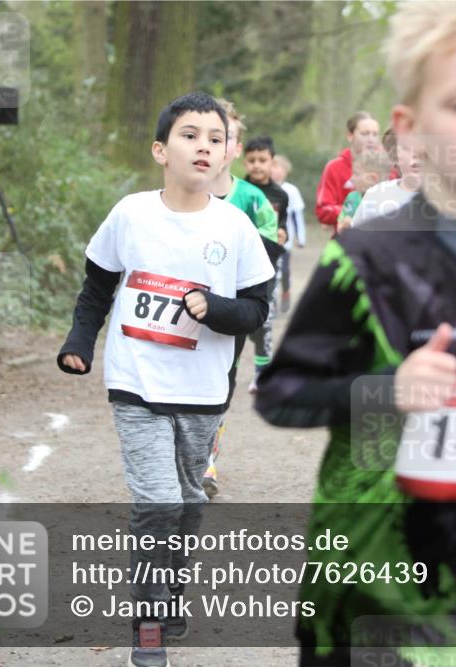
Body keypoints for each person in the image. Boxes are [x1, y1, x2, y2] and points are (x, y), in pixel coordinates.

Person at [255, 2, 456, 664]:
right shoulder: (363, 258)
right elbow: (279, 393)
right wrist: (387, 389)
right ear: (411, 127)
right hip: (366, 580)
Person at [57, 92, 275, 667]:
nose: (203, 145)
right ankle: (147, 628)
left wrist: (214, 308)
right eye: (189, 134)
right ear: (160, 149)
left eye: (214, 137)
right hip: (137, 383)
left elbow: (257, 310)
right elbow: (97, 289)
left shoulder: (235, 227)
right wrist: (80, 342)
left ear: (227, 153)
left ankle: (169, 588)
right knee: (156, 501)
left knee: (187, 501)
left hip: (203, 392)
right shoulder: (130, 214)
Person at [202, 100, 285, 497]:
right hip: (178, 310)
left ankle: (205, 460)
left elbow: (270, 252)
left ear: (234, 147)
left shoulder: (253, 200)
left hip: (232, 310)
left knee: (220, 382)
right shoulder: (175, 196)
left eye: (226, 136)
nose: (215, 144)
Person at [243, 135, 289, 391]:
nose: (257, 165)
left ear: (272, 162)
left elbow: (281, 227)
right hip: (241, 263)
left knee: (264, 319)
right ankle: (230, 366)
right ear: (244, 162)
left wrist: (284, 235)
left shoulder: (280, 195)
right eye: (251, 161)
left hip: (269, 264)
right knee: (240, 321)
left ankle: (262, 370)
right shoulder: (237, 189)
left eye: (262, 160)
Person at [315, 111, 381, 232]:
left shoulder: (387, 168)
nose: (371, 139)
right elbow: (323, 210)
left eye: (375, 134)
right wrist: (350, 211)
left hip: (380, 243)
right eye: (365, 134)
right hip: (345, 241)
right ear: (350, 135)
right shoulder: (334, 167)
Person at [350, 127, 423, 227]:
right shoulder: (376, 194)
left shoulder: (448, 197)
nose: (417, 154)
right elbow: (355, 238)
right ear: (394, 157)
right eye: (407, 147)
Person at [272, 154, 306, 313]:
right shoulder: (264, 189)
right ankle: (272, 300)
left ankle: (285, 292)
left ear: (286, 171)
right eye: (274, 166)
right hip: (269, 239)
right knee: (270, 272)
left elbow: (297, 216)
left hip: (286, 240)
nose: (276, 171)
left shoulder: (291, 191)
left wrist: (301, 238)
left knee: (284, 271)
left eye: (280, 168)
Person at [335, 148, 388, 233]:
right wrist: (344, 225)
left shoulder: (388, 201)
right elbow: (340, 228)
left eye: (356, 174)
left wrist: (354, 224)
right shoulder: (352, 198)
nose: (351, 179)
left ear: (372, 178)